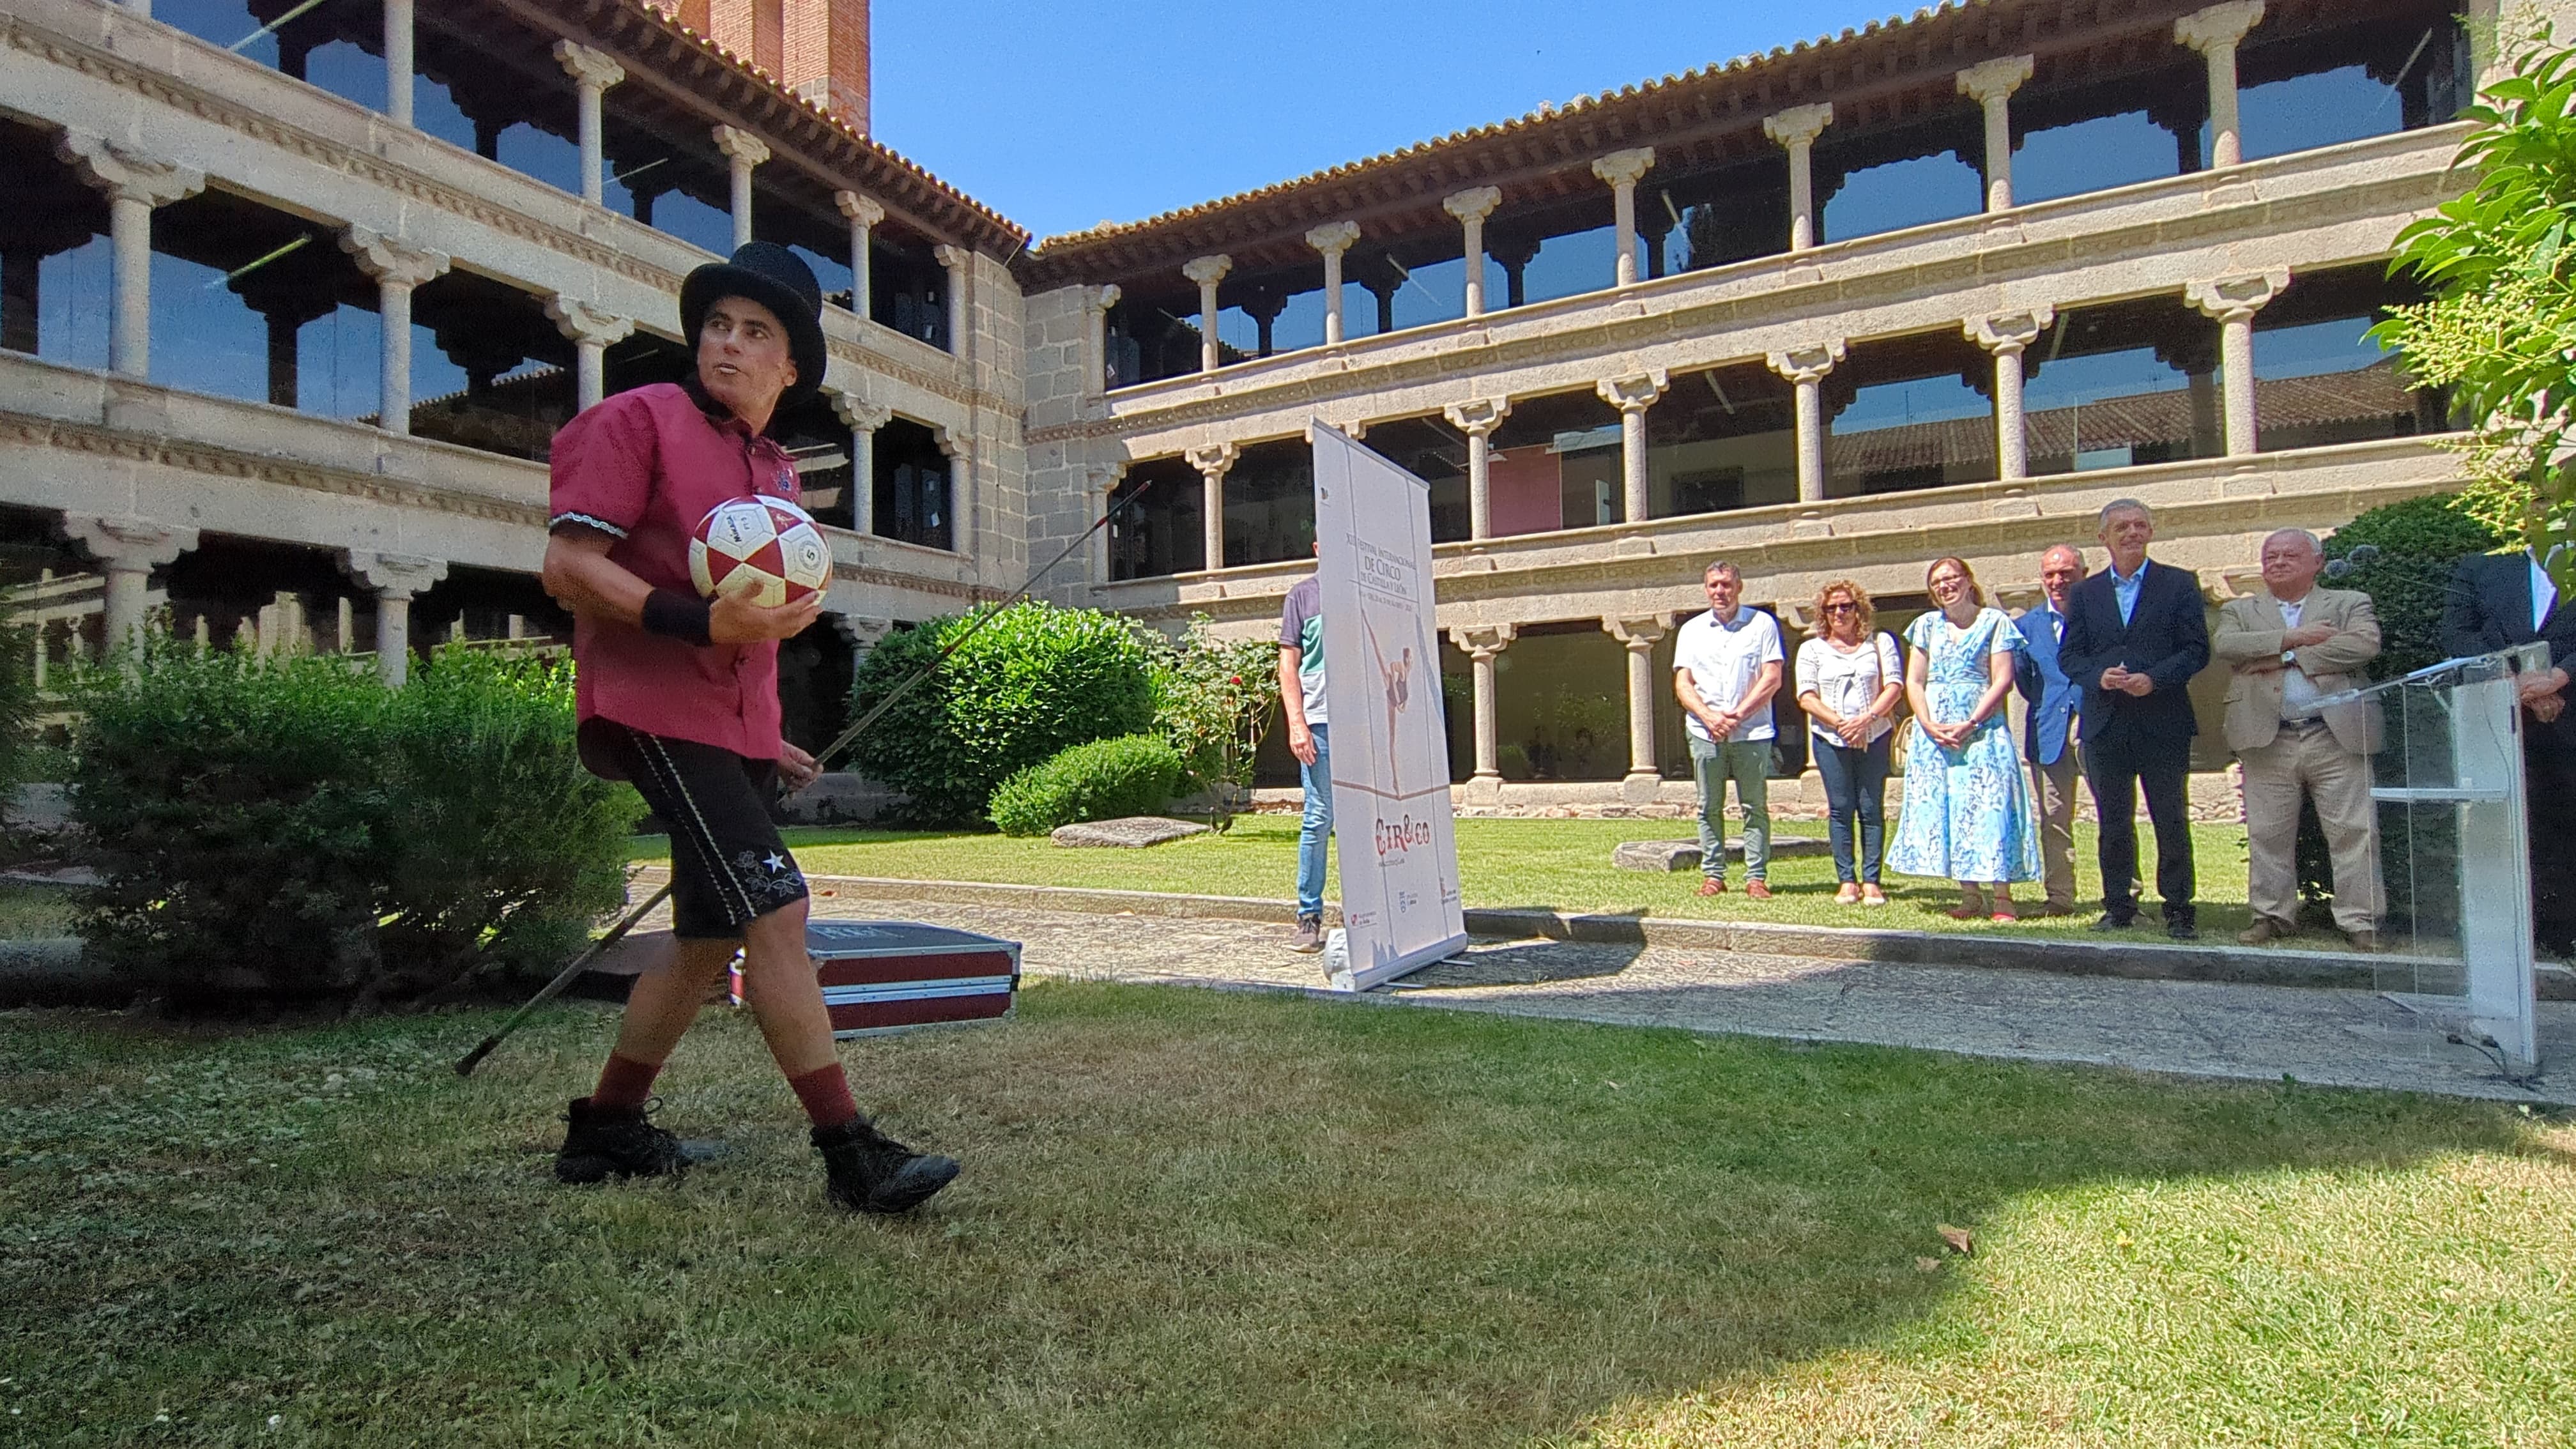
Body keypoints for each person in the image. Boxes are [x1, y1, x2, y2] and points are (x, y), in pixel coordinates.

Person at [540, 241, 959, 1215]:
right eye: (718, 325)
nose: (727, 344)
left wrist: (759, 735)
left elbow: (755, 633)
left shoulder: (775, 474)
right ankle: (852, 1151)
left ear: (792, 367)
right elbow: (567, 566)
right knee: (778, 907)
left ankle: (606, 1128)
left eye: (755, 332)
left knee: (704, 937)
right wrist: (693, 622)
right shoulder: (632, 420)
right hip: (654, 709)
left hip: (724, 730)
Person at [2214, 529, 2383, 949]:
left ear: (2318, 562)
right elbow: (2228, 646)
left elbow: (2364, 645)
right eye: (2270, 556)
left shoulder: (2348, 603)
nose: (2278, 562)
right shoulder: (2241, 609)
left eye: (2290, 555)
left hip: (2335, 735)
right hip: (2268, 738)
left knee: (2353, 831)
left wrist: (2279, 659)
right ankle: (2271, 916)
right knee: (2268, 834)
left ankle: (2360, 921)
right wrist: (2293, 639)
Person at [2058, 498, 2212, 940]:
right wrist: (2096, 677)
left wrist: (2155, 679)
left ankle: (2180, 909)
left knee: (2171, 817)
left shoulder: (2179, 584)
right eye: (2121, 527)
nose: (2131, 533)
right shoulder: (2086, 593)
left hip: (2163, 720)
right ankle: (2118, 906)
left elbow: (2196, 650)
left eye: (2140, 525)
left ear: (2151, 532)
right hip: (2107, 722)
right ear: (2103, 537)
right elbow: (2070, 655)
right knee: (2113, 820)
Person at [2440, 543, 2576, 956]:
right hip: (2504, 719)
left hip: (2571, 711)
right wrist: (2517, 682)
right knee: (2516, 828)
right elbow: (2456, 633)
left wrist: (2559, 676)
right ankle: (2526, 932)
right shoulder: (2482, 568)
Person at [1887, 558, 2041, 917]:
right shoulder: (1925, 625)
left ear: (1969, 581)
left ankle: (2003, 897)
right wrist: (1926, 724)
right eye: (1937, 582)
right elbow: (1915, 681)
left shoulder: (1994, 622)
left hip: (1982, 732)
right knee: (1949, 809)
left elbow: (2002, 679)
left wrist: (1971, 722)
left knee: (1991, 808)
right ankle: (1969, 894)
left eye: (1951, 578)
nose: (1944, 586)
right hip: (1936, 735)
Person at [1673, 559, 1784, 899]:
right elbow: (1683, 682)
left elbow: (1772, 677)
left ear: (1739, 587)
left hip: (1751, 732)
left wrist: (1736, 715)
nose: (1720, 591)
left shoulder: (1761, 624)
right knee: (1708, 805)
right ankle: (1714, 874)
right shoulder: (1691, 630)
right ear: (1706, 589)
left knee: (1754, 805)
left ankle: (1756, 877)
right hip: (1705, 730)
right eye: (1713, 585)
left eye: (1726, 584)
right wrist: (1708, 717)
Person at [1794, 579, 1903, 905]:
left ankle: (1872, 880)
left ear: (1859, 609)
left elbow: (1894, 686)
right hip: (1831, 738)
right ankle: (1846, 881)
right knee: (1841, 808)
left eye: (1846, 606)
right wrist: (1841, 724)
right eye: (1831, 608)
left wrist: (1866, 720)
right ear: (1823, 614)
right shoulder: (1811, 648)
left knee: (1871, 807)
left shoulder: (1880, 643)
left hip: (1875, 734)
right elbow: (1806, 696)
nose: (1839, 613)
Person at [2012, 546, 2086, 917]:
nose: (2058, 581)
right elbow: (2026, 682)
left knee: (2115, 812)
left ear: (2083, 574)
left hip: (2096, 723)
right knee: (2054, 817)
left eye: (2067, 573)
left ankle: (2125, 896)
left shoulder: (2101, 617)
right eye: (2050, 575)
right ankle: (2060, 897)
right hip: (2048, 730)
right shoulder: (2026, 627)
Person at [1279, 546, 1331, 953]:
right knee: (1319, 817)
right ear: (1316, 547)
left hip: (1364, 725)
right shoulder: (1303, 595)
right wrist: (1297, 722)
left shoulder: (1365, 591)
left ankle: (1374, 914)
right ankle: (1309, 916)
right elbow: (1289, 664)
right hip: (1322, 721)